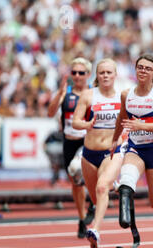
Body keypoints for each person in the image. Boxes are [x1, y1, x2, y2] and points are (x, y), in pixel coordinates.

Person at [110, 53, 153, 245]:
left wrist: (142, 126)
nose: (143, 71)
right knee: (127, 177)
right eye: (140, 67)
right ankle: (125, 210)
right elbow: (122, 119)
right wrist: (114, 141)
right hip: (136, 148)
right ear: (135, 69)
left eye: (147, 68)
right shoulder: (126, 94)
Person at [72, 58, 124, 248]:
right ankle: (113, 188)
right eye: (102, 72)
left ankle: (95, 230)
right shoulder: (88, 95)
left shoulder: (123, 97)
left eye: (109, 72)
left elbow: (129, 123)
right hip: (89, 153)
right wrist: (86, 124)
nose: (105, 76)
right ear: (97, 75)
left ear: (115, 75)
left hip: (111, 152)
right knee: (95, 198)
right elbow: (75, 122)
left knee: (102, 188)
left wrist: (122, 140)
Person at [47, 57, 95, 238]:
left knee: (85, 172)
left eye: (81, 73)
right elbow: (50, 112)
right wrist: (59, 94)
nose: (76, 76)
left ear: (88, 75)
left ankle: (95, 202)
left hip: (88, 141)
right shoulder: (65, 92)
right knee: (75, 181)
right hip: (69, 141)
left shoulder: (93, 92)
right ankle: (82, 219)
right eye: (73, 72)